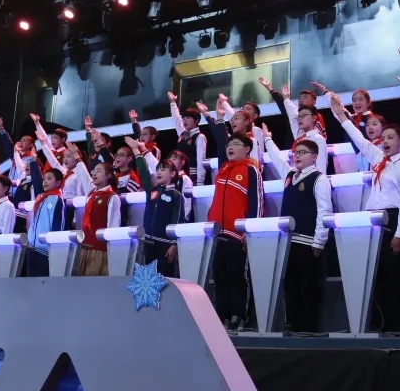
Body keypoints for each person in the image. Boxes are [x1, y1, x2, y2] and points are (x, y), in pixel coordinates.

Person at [330, 92, 400, 334]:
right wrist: (341, 116)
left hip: (392, 220)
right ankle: (379, 324)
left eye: (390, 137)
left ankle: (397, 326)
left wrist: (399, 234)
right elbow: (360, 140)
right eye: (383, 137)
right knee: (375, 275)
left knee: (393, 276)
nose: (385, 141)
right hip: (372, 219)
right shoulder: (378, 158)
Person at [262, 124, 332, 334]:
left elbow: (324, 210)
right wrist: (267, 139)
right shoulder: (290, 175)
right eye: (296, 152)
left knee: (308, 285)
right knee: (290, 284)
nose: (297, 156)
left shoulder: (319, 178)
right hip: (288, 242)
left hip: (308, 241)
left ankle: (309, 328)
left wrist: (319, 240)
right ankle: (293, 324)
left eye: (302, 152)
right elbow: (277, 158)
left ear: (314, 156)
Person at [200, 101, 263, 331]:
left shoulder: (250, 169)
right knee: (220, 277)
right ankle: (222, 316)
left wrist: (249, 230)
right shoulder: (223, 170)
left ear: (247, 149)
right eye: (229, 144)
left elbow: (257, 201)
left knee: (238, 277)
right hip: (217, 233)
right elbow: (220, 142)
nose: (230, 147)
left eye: (236, 144)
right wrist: (217, 118)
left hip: (237, 234)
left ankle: (239, 316)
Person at [129, 137, 186, 278]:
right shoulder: (152, 191)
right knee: (147, 280)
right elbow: (143, 171)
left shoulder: (176, 195)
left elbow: (178, 220)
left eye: (163, 169)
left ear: (172, 174)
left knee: (165, 280)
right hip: (147, 242)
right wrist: (135, 150)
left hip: (165, 245)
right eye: (158, 169)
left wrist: (174, 244)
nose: (159, 172)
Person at [77, 161, 122, 277]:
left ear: (108, 176)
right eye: (94, 171)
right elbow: (83, 174)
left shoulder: (112, 197)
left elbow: (113, 226)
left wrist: (112, 252)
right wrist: (77, 158)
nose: (94, 173)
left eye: (99, 171)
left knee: (94, 282)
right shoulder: (91, 194)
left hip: (100, 249)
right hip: (85, 246)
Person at [26, 168, 66, 277]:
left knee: (43, 280)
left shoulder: (57, 200)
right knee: (31, 279)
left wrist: (53, 247)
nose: (45, 181)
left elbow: (58, 226)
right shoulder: (40, 198)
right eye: (44, 179)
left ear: (58, 182)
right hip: (32, 246)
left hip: (45, 249)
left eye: (49, 179)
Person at [168, 92, 208, 185]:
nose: (184, 120)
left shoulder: (200, 137)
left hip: (192, 177)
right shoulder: (183, 134)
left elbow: (201, 161)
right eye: (184, 118)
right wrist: (173, 102)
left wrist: (200, 182)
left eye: (188, 118)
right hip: (177, 176)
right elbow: (176, 119)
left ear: (196, 120)